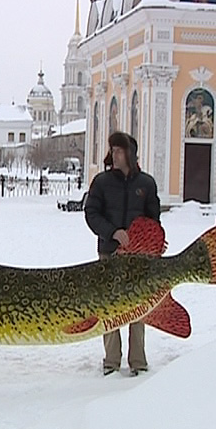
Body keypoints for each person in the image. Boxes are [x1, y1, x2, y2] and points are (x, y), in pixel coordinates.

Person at [84, 132, 161, 377]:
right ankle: (111, 360)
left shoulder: (146, 184)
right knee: (109, 306)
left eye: (119, 151)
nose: (114, 155)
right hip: (109, 254)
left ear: (130, 154)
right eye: (113, 150)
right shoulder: (102, 182)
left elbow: (154, 219)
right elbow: (92, 214)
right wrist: (112, 232)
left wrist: (147, 244)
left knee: (138, 307)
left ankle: (138, 361)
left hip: (139, 258)